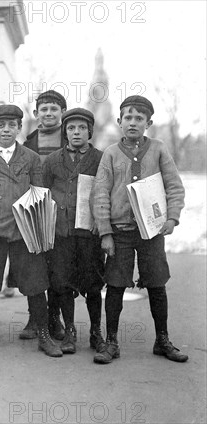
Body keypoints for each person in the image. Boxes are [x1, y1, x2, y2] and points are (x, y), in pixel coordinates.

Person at [92, 95, 188, 364]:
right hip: (120, 231)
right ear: (119, 121)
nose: (133, 123)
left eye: (139, 118)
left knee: (157, 283)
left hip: (152, 231)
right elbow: (100, 193)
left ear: (149, 122)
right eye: (128, 118)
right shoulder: (111, 153)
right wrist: (105, 232)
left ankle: (163, 340)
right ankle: (111, 341)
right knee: (115, 284)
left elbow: (174, 186)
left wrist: (172, 217)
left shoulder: (158, 149)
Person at [0, 104, 62, 357]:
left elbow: (40, 192)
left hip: (23, 231)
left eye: (12, 125)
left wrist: (39, 224)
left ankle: (44, 334)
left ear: (19, 128)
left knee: (35, 282)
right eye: (1, 125)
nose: (6, 130)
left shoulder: (30, 158)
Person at [42, 108, 105, 354]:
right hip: (61, 233)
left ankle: (95, 332)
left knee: (92, 283)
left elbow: (105, 192)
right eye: (71, 128)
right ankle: (69, 330)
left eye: (81, 128)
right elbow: (42, 192)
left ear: (89, 131)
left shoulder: (100, 158)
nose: (76, 132)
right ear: (64, 131)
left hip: (89, 233)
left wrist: (101, 221)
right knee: (62, 283)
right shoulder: (53, 160)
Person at [21, 90, 69, 341]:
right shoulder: (28, 142)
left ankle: (54, 319)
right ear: (36, 113)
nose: (48, 113)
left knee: (58, 270)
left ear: (63, 112)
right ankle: (34, 318)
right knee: (35, 268)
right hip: (35, 215)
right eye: (44, 109)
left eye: (54, 109)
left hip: (61, 215)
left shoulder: (70, 139)